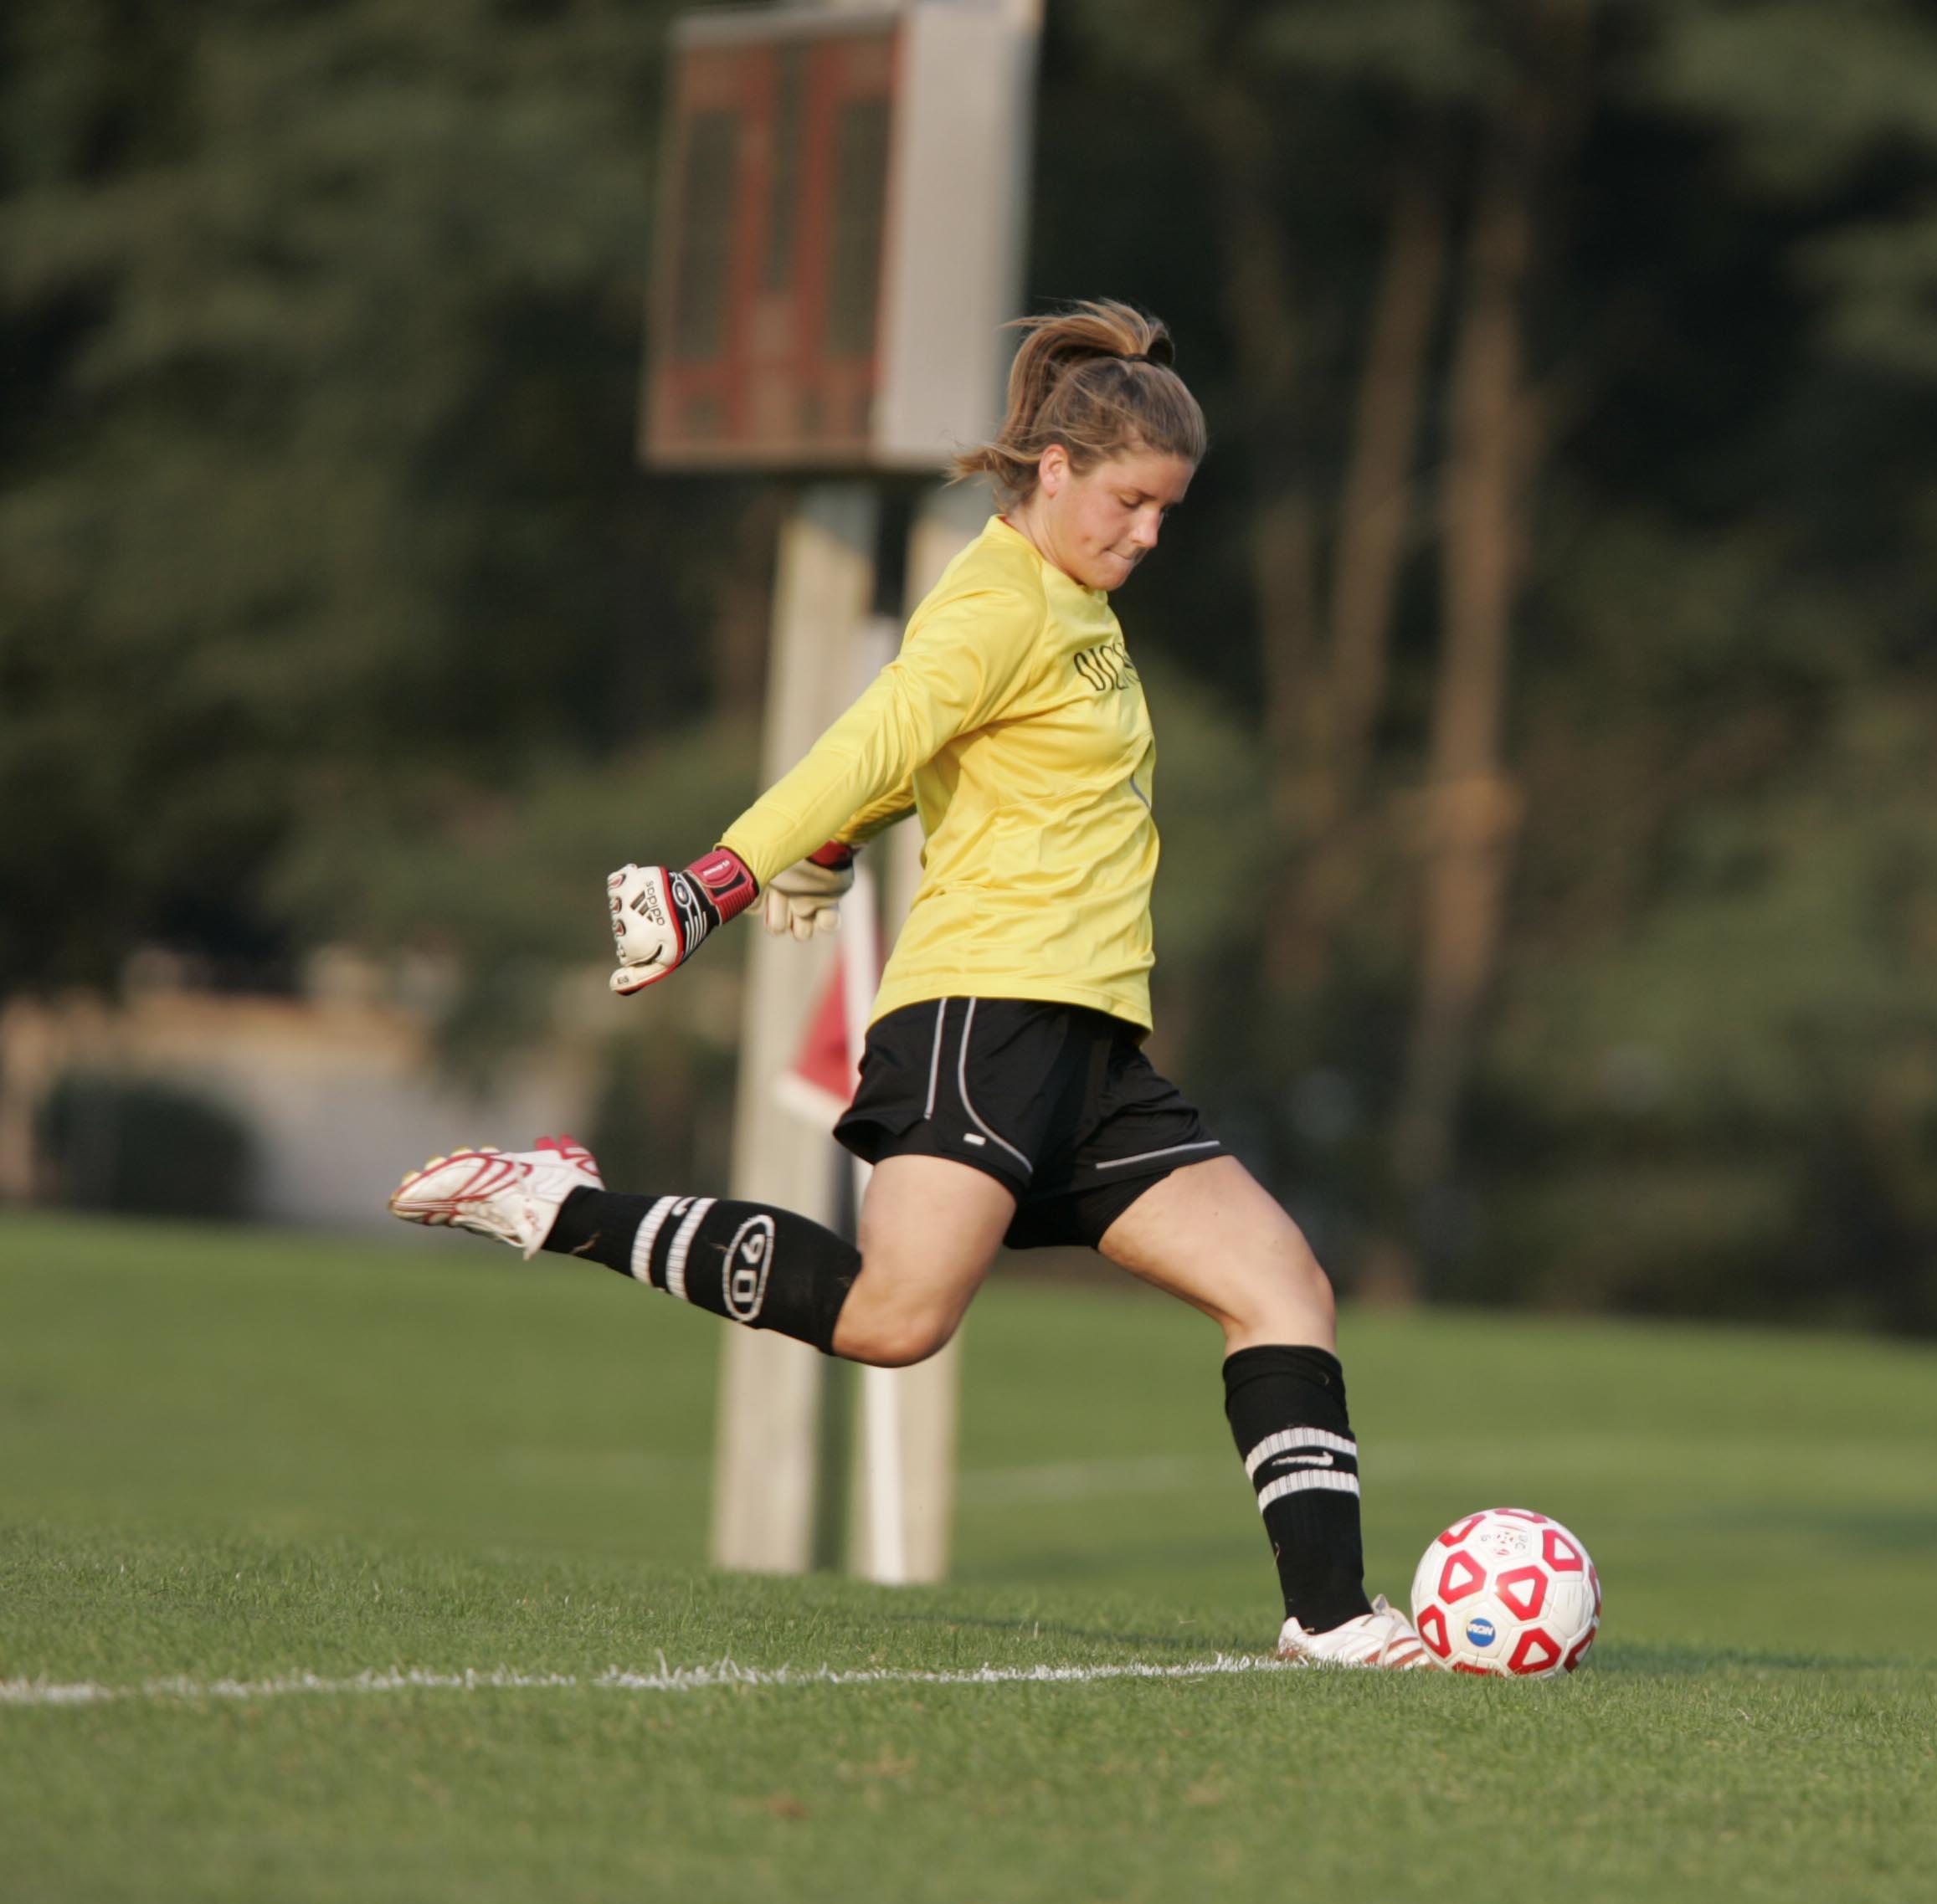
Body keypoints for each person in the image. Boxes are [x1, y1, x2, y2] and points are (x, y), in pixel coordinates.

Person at [390, 300, 1428, 1670]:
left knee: (1283, 1287)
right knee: (894, 1321)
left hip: (1093, 1048)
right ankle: (559, 1205)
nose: (1150, 535)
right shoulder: (998, 604)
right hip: (986, 1017)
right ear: (1055, 471)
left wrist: (829, 853)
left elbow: (938, 773)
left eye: (1170, 511)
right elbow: (878, 735)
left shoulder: (1075, 606)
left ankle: (1334, 1620)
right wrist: (721, 880)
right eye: (1130, 502)